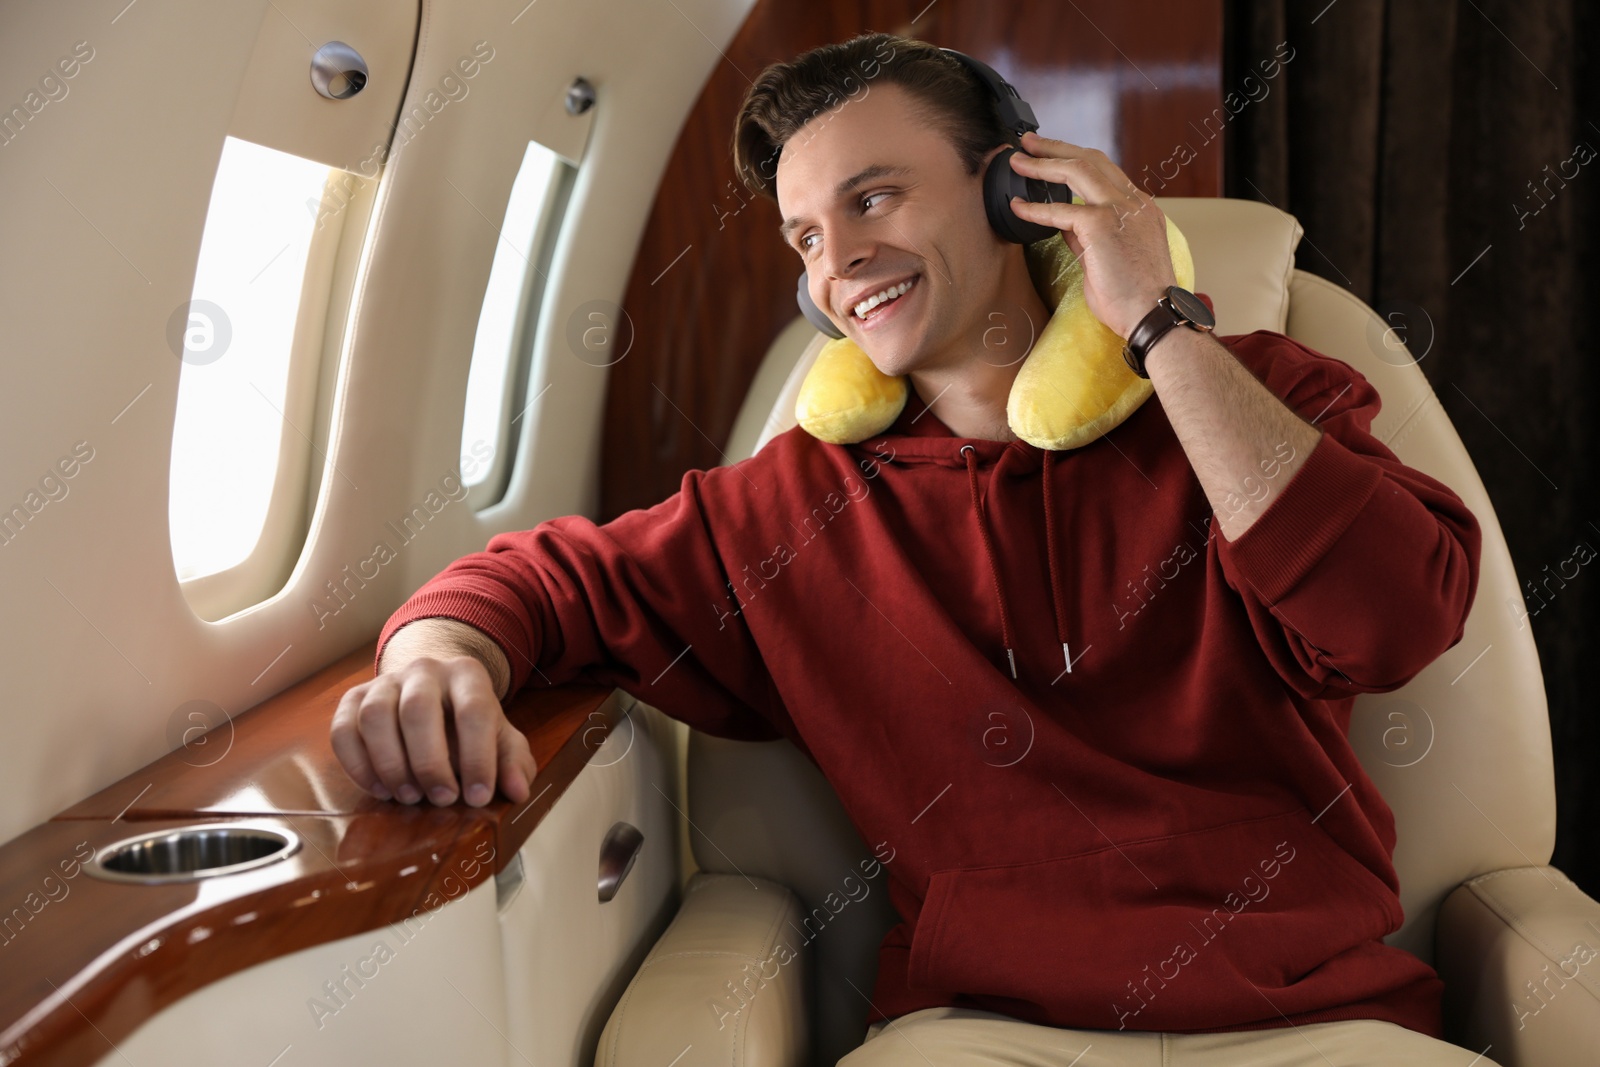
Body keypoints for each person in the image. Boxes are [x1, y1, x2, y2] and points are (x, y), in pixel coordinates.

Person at [331, 33, 1494, 1066]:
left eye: (873, 198)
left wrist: (1156, 324)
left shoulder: (1261, 394)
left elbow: (1395, 617)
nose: (833, 262)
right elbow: (550, 577)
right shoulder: (788, 506)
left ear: (1020, 189)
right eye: (804, 234)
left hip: (1323, 1026)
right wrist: (438, 654)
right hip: (978, 1032)